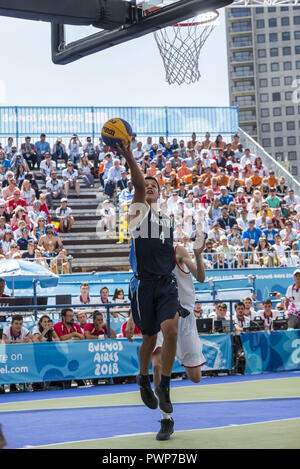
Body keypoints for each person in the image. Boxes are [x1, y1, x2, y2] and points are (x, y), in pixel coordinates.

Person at [117, 143, 180, 419]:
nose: (150, 186)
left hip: (166, 284)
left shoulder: (168, 221)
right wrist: (130, 155)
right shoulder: (136, 213)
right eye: (147, 184)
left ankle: (164, 385)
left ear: (161, 192)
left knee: (171, 331)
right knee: (149, 338)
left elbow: (168, 255)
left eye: (155, 185)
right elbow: (139, 186)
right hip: (143, 285)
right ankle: (143, 378)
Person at [126, 235, 206, 440]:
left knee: (195, 377)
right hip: (161, 315)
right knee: (158, 365)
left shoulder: (178, 251)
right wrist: (132, 316)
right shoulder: (146, 256)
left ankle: (170, 375)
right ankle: (166, 419)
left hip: (185, 318)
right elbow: (140, 289)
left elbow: (201, 276)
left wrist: (198, 255)